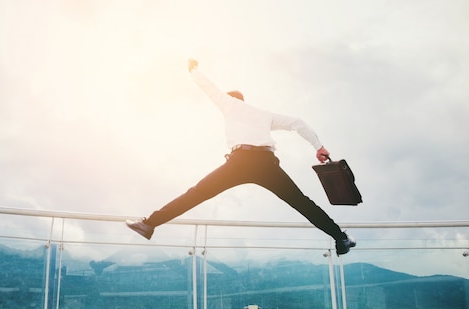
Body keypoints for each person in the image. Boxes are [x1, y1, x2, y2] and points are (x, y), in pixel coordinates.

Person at [126, 59, 356, 255]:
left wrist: (192, 68)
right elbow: (298, 123)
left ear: (231, 99)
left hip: (239, 162)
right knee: (302, 203)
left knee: (196, 194)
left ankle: (148, 224)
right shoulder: (264, 114)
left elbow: (208, 87)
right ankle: (341, 238)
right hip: (266, 163)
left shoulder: (228, 104)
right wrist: (318, 146)